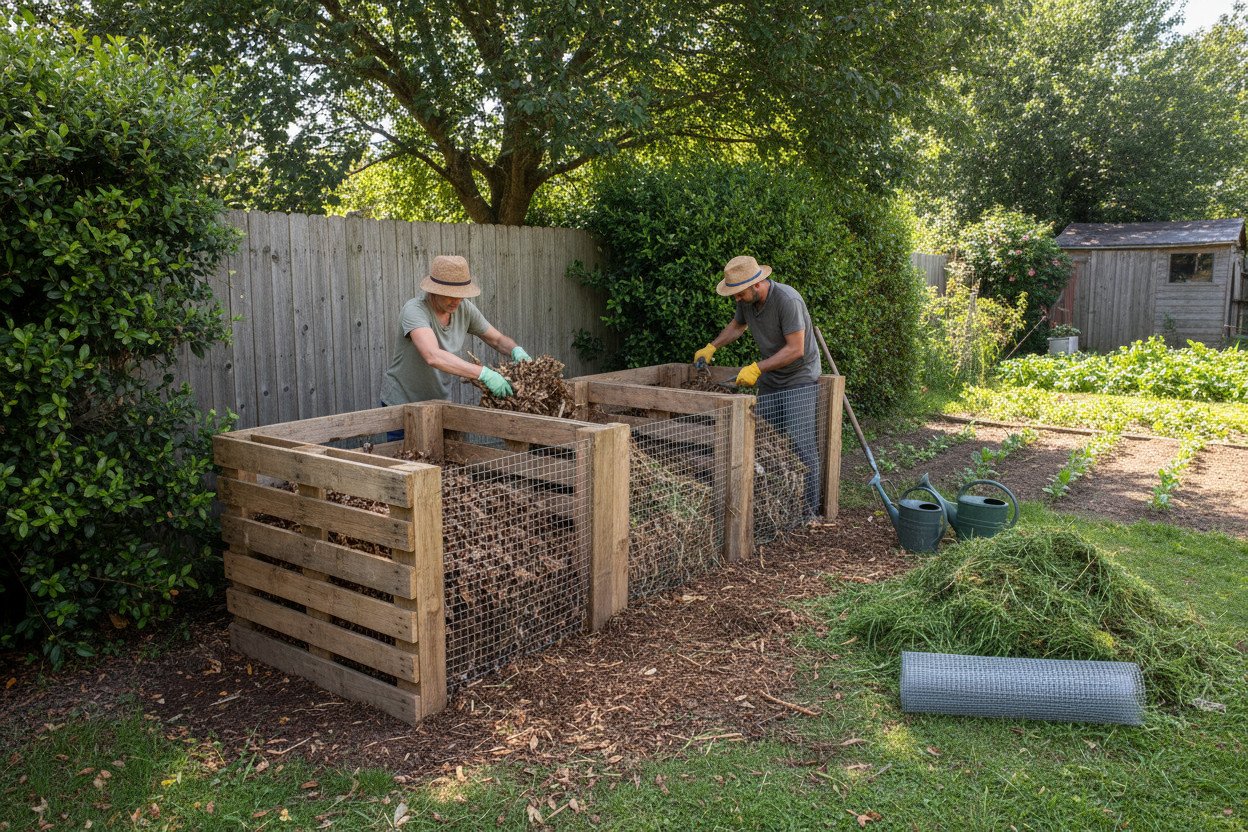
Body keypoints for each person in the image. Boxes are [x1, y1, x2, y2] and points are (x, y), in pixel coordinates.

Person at [693, 254, 822, 516]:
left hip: (800, 379)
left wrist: (756, 368)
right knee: (762, 440)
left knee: (800, 444)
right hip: (772, 381)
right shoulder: (747, 302)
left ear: (756, 284)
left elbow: (796, 349)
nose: (736, 300)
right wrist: (711, 347)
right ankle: (771, 509)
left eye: (739, 294)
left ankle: (809, 512)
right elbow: (737, 326)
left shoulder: (787, 300)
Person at [380, 254, 532, 420]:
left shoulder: (463, 308)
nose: (456, 301)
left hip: (438, 404)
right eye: (450, 295)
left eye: (461, 295)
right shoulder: (415, 310)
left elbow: (496, 339)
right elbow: (432, 356)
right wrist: (484, 374)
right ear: (434, 291)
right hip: (403, 404)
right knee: (409, 448)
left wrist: (516, 350)